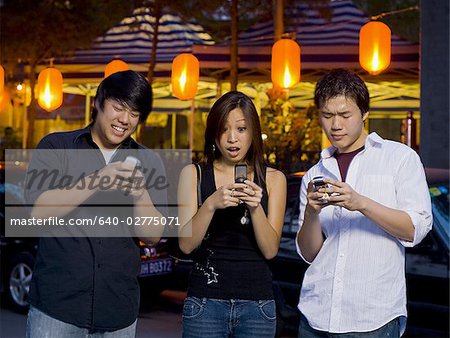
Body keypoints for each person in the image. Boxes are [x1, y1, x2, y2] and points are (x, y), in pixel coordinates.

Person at [24, 70, 167, 337]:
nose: (125, 120)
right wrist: (97, 180)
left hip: (117, 312)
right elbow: (37, 211)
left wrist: (141, 195)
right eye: (118, 108)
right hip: (57, 309)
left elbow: (152, 236)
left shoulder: (149, 161)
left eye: (134, 113)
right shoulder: (56, 146)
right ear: (98, 103)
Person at [296, 69, 432, 337]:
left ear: (364, 113)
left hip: (373, 317)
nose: (336, 125)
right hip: (316, 313)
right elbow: (310, 254)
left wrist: (361, 203)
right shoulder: (314, 174)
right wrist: (312, 213)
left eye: (345, 115)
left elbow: (415, 230)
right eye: (327, 115)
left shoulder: (399, 158)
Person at [177, 91, 287, 338]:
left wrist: (255, 207)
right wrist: (210, 204)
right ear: (214, 134)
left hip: (257, 306)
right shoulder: (193, 174)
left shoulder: (274, 179)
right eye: (224, 129)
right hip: (205, 303)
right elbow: (185, 245)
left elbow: (270, 250)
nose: (232, 138)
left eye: (241, 129)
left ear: (253, 133)